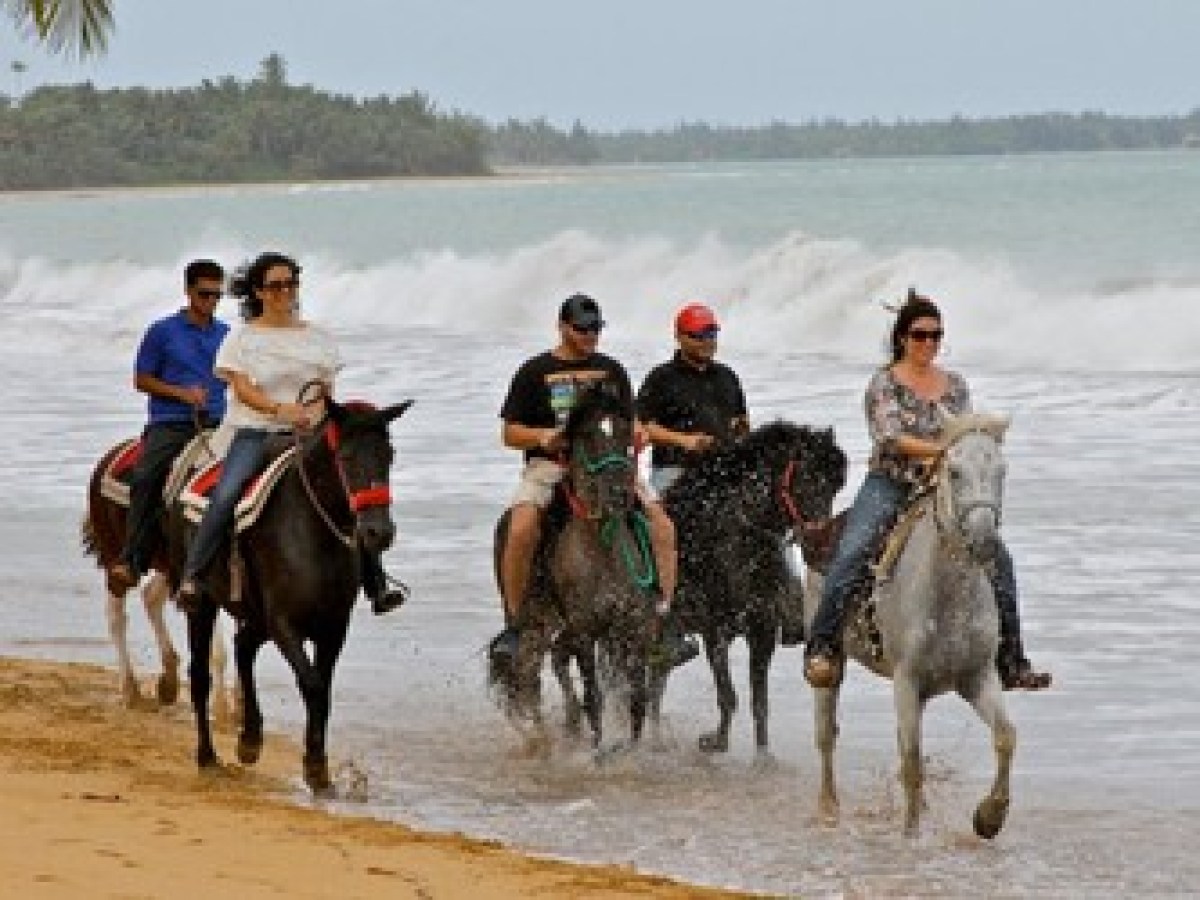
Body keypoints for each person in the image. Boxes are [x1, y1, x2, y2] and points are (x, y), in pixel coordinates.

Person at [803, 290, 1052, 691]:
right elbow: (890, 437)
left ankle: (1011, 658)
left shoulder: (955, 386)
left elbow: (964, 432)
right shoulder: (884, 384)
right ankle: (823, 646)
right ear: (903, 337)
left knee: (998, 558)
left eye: (936, 335)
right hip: (890, 483)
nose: (929, 343)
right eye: (920, 335)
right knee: (853, 549)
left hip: (939, 489)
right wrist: (943, 449)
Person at [173, 252, 406, 616]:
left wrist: (313, 413)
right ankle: (194, 576)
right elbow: (243, 390)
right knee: (227, 494)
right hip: (256, 432)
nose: (285, 291)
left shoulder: (319, 338)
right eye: (276, 285)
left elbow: (324, 391)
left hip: (309, 432)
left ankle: (376, 583)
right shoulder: (242, 339)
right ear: (259, 292)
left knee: (352, 493)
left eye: (291, 283)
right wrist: (280, 410)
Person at [489, 293, 699, 668]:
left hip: (610, 465)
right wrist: (541, 437)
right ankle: (516, 626)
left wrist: (637, 433)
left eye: (596, 329)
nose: (590, 336)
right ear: (562, 326)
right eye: (582, 329)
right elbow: (509, 433)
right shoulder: (535, 371)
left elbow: (628, 418)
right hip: (551, 466)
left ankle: (664, 622)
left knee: (663, 526)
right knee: (520, 528)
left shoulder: (611, 370)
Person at [109, 259, 229, 594]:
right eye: (204, 294)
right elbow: (141, 379)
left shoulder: (226, 334)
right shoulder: (162, 332)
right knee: (147, 476)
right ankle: (132, 559)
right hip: (172, 423)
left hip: (218, 422)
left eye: (217, 296)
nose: (210, 302)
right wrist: (180, 393)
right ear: (188, 291)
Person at [636, 302, 749, 494]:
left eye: (711, 335)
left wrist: (740, 432)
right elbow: (641, 426)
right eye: (698, 336)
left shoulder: (727, 376)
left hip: (725, 470)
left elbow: (741, 420)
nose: (707, 341)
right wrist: (684, 440)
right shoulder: (661, 378)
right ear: (679, 337)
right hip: (674, 471)